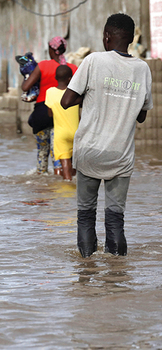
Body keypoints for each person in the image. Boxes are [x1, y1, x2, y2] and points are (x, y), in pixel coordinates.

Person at [60, 13, 153, 257]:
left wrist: (93, 94)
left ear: (106, 36)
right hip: (120, 155)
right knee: (115, 219)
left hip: (89, 151)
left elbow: (66, 100)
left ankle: (86, 270)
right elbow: (141, 116)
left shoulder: (93, 61)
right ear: (131, 39)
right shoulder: (143, 69)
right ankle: (117, 275)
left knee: (86, 214)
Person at [21, 36, 77, 175]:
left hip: (42, 114)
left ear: (52, 50)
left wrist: (27, 76)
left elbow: (25, 87)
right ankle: (62, 187)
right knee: (60, 154)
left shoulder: (43, 66)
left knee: (42, 152)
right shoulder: (72, 69)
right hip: (64, 118)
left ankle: (43, 184)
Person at [44, 65, 78, 181]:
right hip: (77, 132)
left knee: (65, 162)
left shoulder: (50, 92)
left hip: (61, 134)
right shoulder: (75, 93)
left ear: (55, 77)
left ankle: (67, 186)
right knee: (76, 164)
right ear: (70, 78)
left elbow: (49, 114)